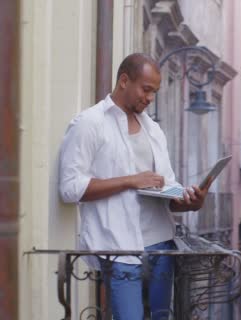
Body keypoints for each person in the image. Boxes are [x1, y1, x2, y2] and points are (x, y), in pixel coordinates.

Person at [59, 53, 207, 319]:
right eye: (146, 89)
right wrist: (130, 180)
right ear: (124, 81)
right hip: (119, 247)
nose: (150, 98)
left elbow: (165, 185)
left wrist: (187, 200)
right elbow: (69, 188)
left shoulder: (153, 130)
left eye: (155, 92)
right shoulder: (89, 123)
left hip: (161, 245)